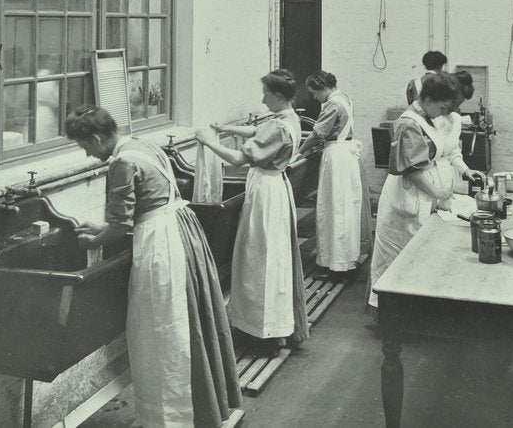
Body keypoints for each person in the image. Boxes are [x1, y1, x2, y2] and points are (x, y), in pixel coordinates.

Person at [66, 106, 240, 428]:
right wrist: (104, 227)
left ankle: (171, 418)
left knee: (161, 329)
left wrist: (95, 240)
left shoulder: (121, 162)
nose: (87, 154)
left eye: (85, 146)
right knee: (185, 322)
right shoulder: (142, 145)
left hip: (161, 244)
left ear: (97, 138)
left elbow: (121, 224)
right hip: (180, 229)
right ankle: (198, 408)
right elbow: (147, 202)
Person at [195, 69, 309, 349]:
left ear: (278, 96)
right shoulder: (289, 118)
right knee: (272, 256)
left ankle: (263, 329)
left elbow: (239, 158)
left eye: (266, 95)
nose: (263, 100)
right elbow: (258, 132)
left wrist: (209, 141)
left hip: (266, 194)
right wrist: (226, 129)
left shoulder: (279, 127)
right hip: (276, 188)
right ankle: (272, 324)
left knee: (260, 256)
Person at [369, 73, 457, 309]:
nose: (443, 113)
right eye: (442, 107)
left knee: (416, 253)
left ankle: (414, 307)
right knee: (398, 254)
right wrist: (437, 192)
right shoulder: (408, 123)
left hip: (419, 193)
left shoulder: (425, 117)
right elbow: (413, 171)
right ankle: (391, 310)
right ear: (428, 99)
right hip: (405, 193)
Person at [296, 70, 372, 278]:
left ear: (321, 87)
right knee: (345, 209)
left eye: (314, 92)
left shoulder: (332, 104)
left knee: (334, 209)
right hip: (346, 155)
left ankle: (336, 265)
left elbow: (317, 134)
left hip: (337, 157)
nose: (314, 97)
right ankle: (344, 259)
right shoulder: (344, 98)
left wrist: (298, 152)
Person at [433, 71, 487, 193]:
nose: (454, 107)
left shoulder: (456, 119)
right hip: (424, 183)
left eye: (458, 103)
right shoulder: (426, 118)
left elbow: (453, 152)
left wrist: (466, 170)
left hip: (444, 181)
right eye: (453, 101)